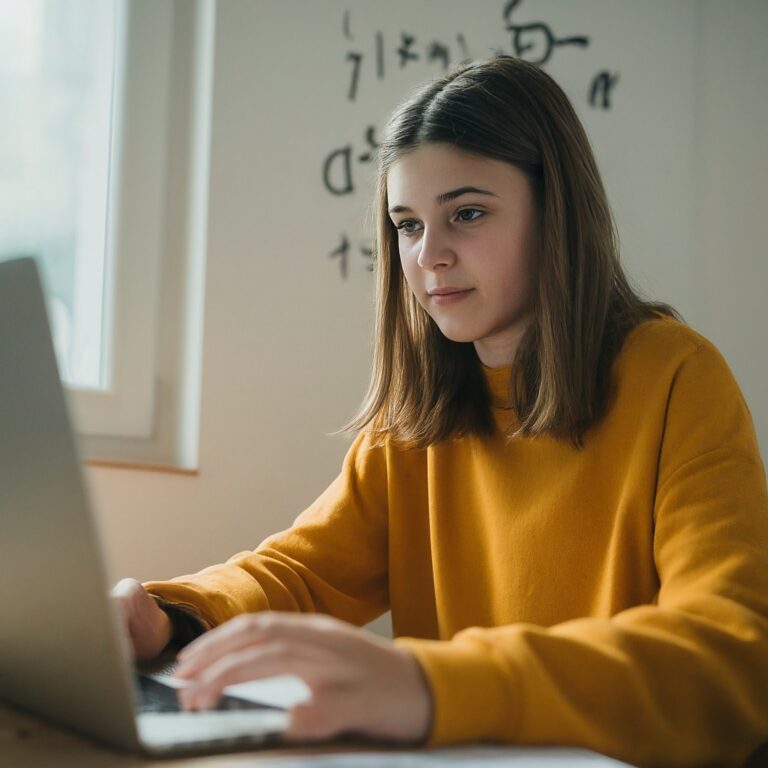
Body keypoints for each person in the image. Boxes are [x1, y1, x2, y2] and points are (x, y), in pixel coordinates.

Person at [112, 55, 768, 766]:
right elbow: (300, 575)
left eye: (468, 213)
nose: (430, 256)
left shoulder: (675, 376)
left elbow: (730, 653)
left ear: (557, 213)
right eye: (407, 224)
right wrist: (169, 615)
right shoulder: (413, 420)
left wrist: (430, 683)